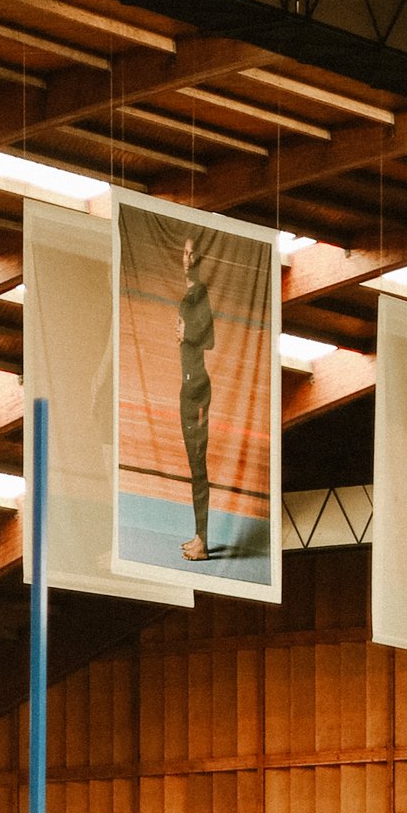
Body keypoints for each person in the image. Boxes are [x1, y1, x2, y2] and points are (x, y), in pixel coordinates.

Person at [177, 218, 221, 560]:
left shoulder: (199, 293)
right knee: (194, 467)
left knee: (199, 466)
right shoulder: (190, 294)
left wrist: (185, 334)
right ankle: (198, 535)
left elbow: (209, 338)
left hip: (198, 388)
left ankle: (203, 543)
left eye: (192, 253)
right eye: (185, 251)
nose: (186, 258)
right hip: (188, 384)